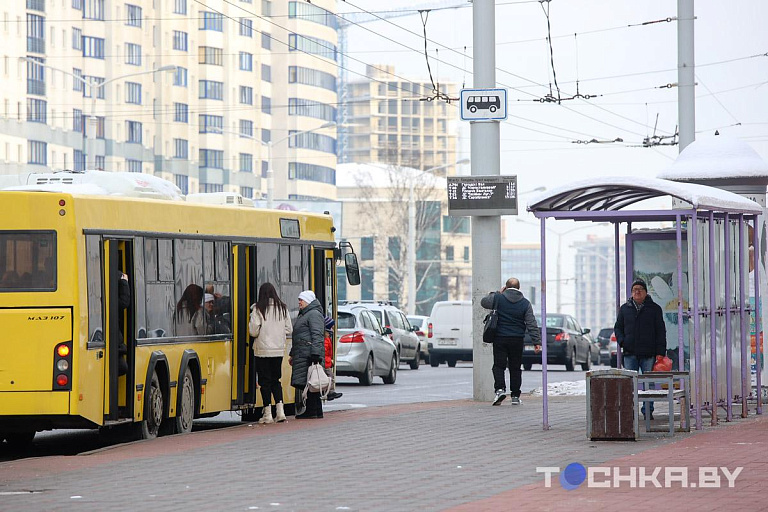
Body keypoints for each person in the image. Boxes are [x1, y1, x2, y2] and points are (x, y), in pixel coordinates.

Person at [481, 277, 541, 406]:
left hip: (500, 338)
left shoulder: (498, 298)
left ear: (506, 287)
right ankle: (515, 396)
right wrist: (537, 342)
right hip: (517, 339)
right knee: (515, 367)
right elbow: (531, 323)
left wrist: (497, 293)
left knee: (498, 366)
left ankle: (500, 390)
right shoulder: (525, 303)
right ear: (519, 288)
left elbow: (484, 302)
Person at [614, 278, 667, 420]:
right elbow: (618, 327)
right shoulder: (625, 309)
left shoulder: (654, 309)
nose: (637, 292)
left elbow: (661, 331)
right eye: (634, 290)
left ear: (646, 292)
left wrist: (660, 352)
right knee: (630, 383)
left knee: (648, 382)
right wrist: (622, 341)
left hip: (648, 353)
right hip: (630, 352)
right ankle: (629, 411)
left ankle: (648, 410)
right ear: (631, 293)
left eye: (640, 289)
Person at [249, 283, 293, 424]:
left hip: (262, 350)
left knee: (264, 382)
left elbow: (253, 331)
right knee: (276, 380)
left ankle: (267, 414)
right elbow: (289, 329)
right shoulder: (283, 308)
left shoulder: (257, 309)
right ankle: (280, 412)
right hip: (278, 350)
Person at [289, 290, 325, 419]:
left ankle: (313, 410)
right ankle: (315, 411)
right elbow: (298, 336)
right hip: (303, 353)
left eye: (301, 300)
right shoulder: (305, 314)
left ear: (308, 301)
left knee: (311, 382)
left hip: (309, 354)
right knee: (309, 382)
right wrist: (292, 354)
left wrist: (315, 354)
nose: (299, 302)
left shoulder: (313, 314)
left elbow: (317, 334)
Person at [322, 316, 343, 402]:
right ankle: (330, 392)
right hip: (326, 362)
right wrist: (329, 361)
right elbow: (324, 353)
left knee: (329, 377)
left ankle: (329, 392)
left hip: (326, 361)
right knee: (330, 377)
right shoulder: (326, 340)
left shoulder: (327, 338)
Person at [116, 270, 131, 376]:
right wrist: (124, 282)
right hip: (115, 340)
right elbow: (123, 302)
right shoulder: (117, 276)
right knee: (122, 367)